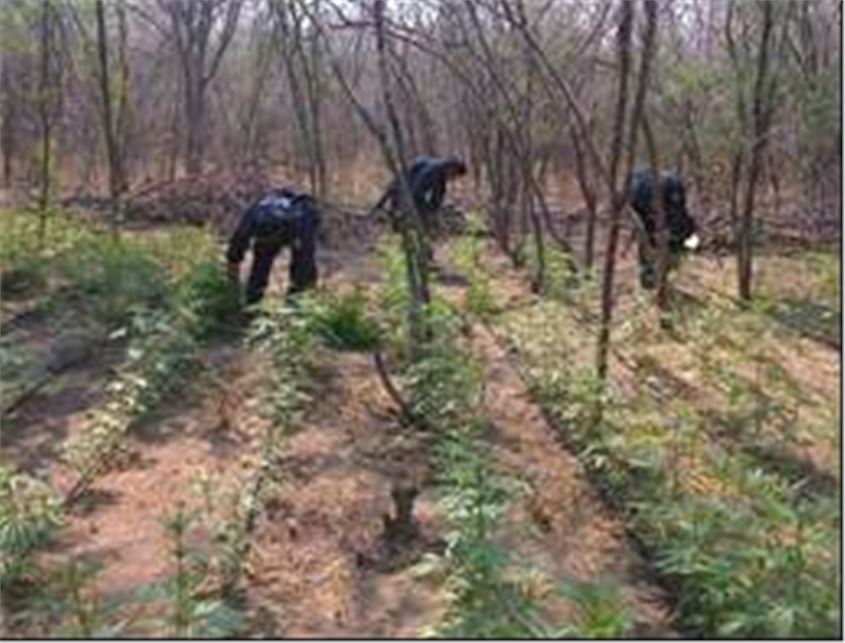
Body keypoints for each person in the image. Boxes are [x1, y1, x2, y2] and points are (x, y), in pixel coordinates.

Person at [226, 187, 320, 304]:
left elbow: (306, 257)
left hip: (292, 224)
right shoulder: (259, 213)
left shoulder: (302, 215)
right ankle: (253, 304)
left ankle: (293, 309)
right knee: (262, 261)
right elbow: (238, 241)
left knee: (300, 272)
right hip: (273, 224)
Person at [628, 169, 700, 290]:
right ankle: (654, 280)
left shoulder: (640, 182)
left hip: (652, 221)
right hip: (662, 225)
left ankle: (651, 281)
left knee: (649, 246)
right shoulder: (671, 185)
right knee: (661, 248)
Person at [372, 155, 467, 238]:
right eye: (454, 175)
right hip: (402, 189)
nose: (453, 179)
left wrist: (434, 211)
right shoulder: (432, 171)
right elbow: (416, 192)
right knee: (402, 223)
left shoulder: (440, 173)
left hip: (409, 188)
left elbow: (437, 198)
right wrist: (426, 212)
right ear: (451, 168)